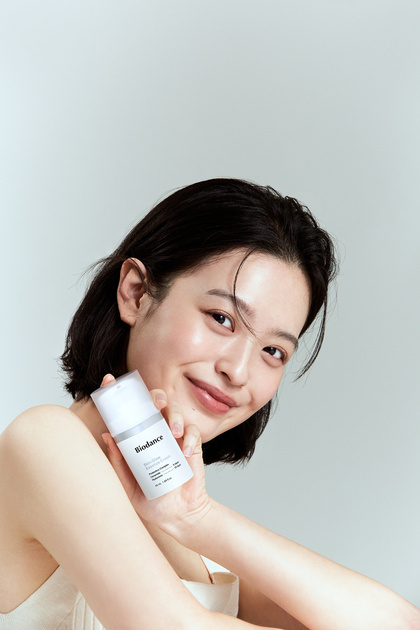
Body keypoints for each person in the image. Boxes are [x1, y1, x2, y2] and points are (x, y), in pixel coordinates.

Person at [0, 178, 418, 630]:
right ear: (136, 293)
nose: (238, 371)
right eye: (222, 319)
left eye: (273, 351)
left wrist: (198, 518)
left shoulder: (186, 528)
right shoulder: (46, 441)